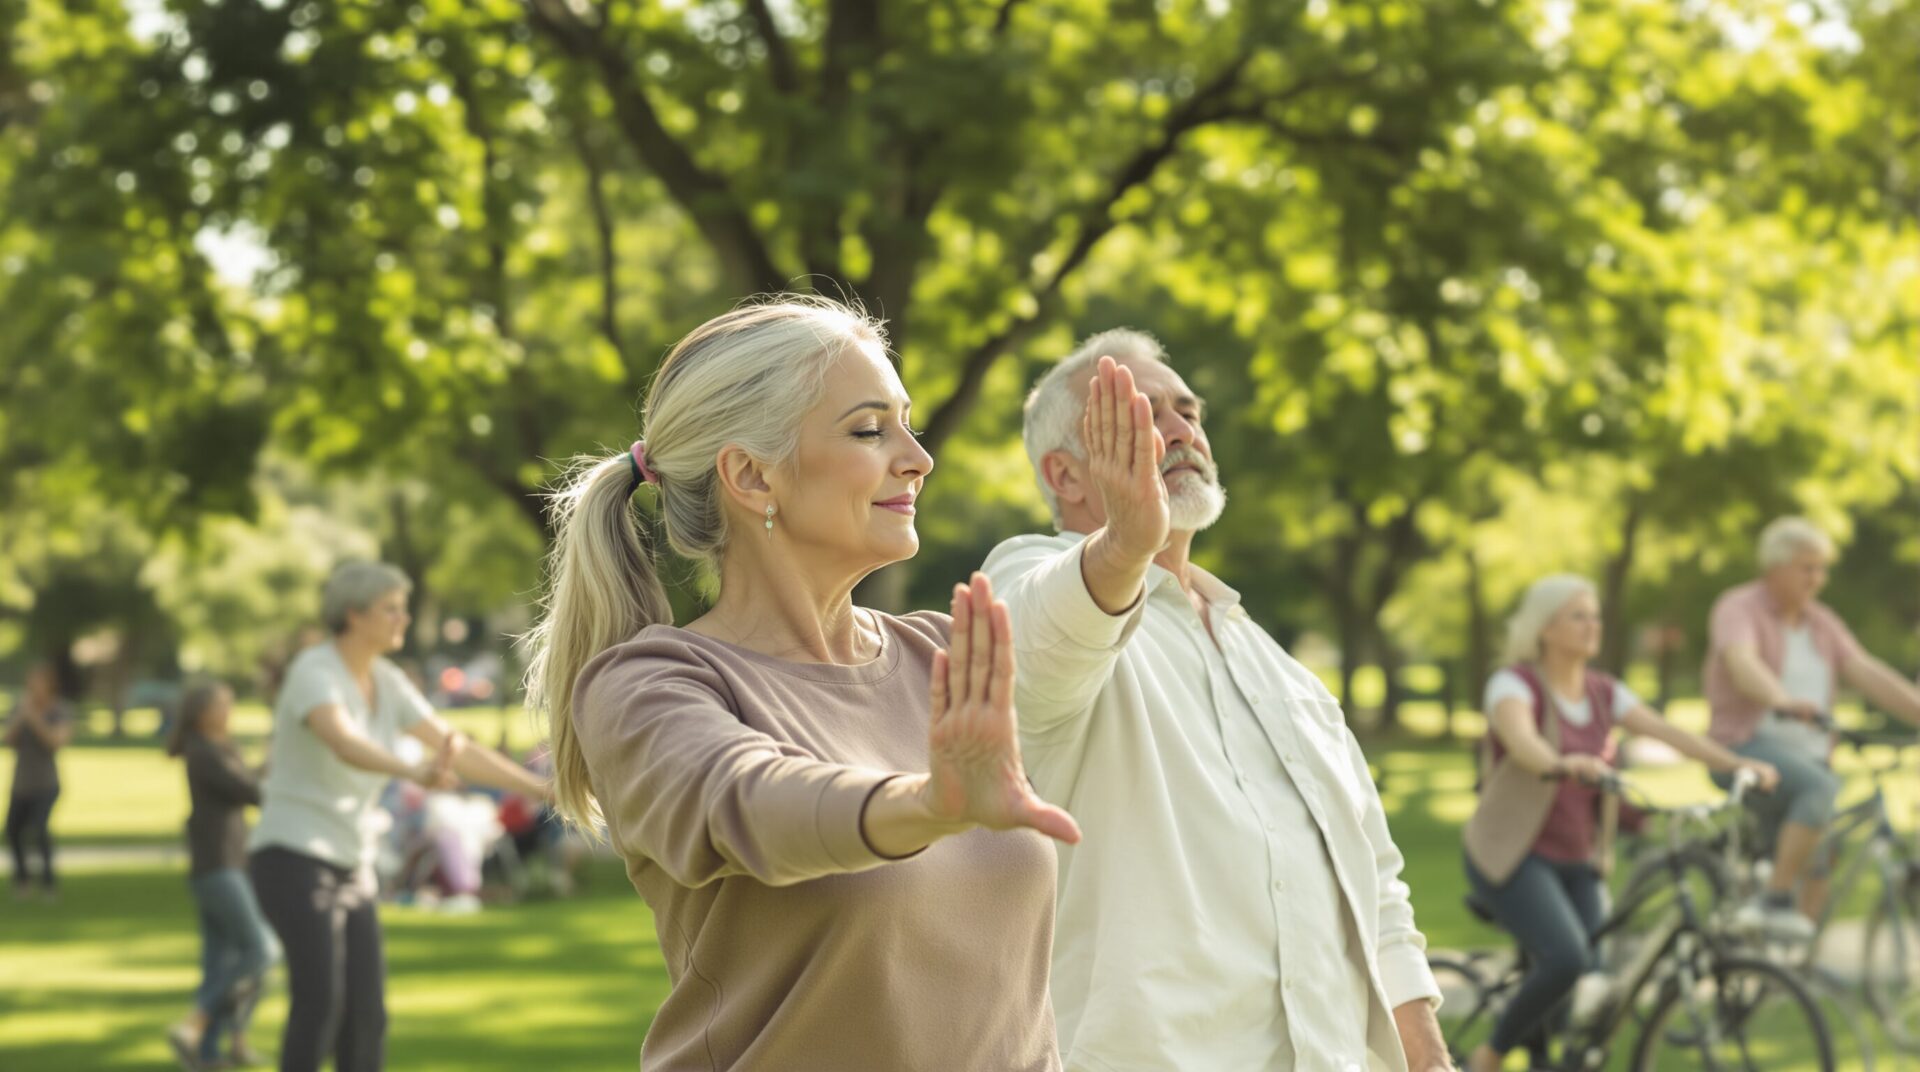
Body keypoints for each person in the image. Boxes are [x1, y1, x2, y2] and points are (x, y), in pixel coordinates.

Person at [523, 296, 1078, 1072]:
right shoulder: (648, 687)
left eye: (908, 424)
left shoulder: (940, 656)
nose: (918, 458)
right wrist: (926, 805)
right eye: (869, 430)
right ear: (752, 476)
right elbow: (747, 800)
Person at [983, 330, 1448, 1072]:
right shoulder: (1031, 580)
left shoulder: (1280, 671)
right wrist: (1125, 545)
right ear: (1065, 475)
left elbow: (1377, 891)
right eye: (1142, 415)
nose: (1179, 431)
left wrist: (1429, 1060)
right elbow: (1038, 657)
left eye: (1189, 411)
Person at [1460, 575, 1779, 1072]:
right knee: (1567, 958)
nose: (1592, 625)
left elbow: (1670, 733)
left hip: (1577, 856)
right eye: (1578, 616)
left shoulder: (1603, 692)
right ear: (1544, 628)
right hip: (1511, 854)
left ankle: (1547, 1058)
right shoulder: (1514, 685)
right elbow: (1522, 741)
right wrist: (1559, 762)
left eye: (1595, 616)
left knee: (1590, 977)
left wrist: (1737, 764)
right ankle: (1490, 1055)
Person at [247, 561, 552, 1072]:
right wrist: (411, 770)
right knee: (320, 1003)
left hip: (351, 862)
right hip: (292, 856)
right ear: (353, 614)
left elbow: (456, 747)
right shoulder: (314, 671)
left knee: (367, 1015)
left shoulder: (386, 680)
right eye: (391, 609)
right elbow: (343, 742)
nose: (403, 619)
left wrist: (542, 788)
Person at [1704, 516, 1920, 935]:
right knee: (1820, 789)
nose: (1817, 578)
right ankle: (1775, 899)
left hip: (1809, 756)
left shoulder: (1821, 622)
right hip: (1741, 748)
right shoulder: (1738, 608)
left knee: (1822, 856)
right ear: (1776, 567)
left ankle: (1794, 958)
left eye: (1822, 568)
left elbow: (1866, 671)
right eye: (1808, 567)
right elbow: (1741, 662)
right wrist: (1780, 700)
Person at [165, 679, 279, 1071]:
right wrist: (268, 772)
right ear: (202, 713)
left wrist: (268, 763)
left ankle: (209, 1053)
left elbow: (247, 781)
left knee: (220, 963)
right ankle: (193, 1024)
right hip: (217, 867)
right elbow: (251, 792)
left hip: (230, 862)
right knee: (261, 952)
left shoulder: (220, 748)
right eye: (222, 705)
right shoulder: (202, 753)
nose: (229, 711)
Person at [5, 660, 74, 900]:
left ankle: (48, 883)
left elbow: (56, 742)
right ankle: (22, 881)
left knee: (40, 830)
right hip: (21, 783)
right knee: (12, 831)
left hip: (46, 783)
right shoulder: (21, 708)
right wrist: (21, 716)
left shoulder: (59, 710)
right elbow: (8, 740)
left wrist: (34, 718)